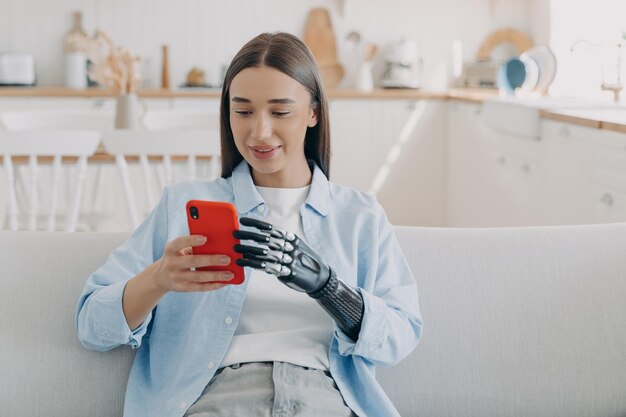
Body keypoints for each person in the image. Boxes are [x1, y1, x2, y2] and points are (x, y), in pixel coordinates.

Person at [76, 32, 422, 417]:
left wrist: (331, 290)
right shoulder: (181, 205)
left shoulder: (360, 216)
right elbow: (93, 325)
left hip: (323, 397)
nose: (258, 132)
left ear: (313, 113)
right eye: (242, 111)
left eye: (280, 112)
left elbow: (401, 336)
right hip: (219, 397)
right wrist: (159, 278)